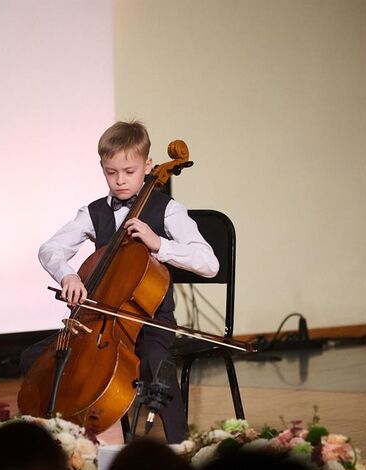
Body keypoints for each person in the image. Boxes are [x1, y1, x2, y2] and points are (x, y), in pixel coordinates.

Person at [20, 120, 219, 444]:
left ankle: (179, 446)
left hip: (152, 320)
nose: (120, 180)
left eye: (129, 171)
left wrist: (160, 245)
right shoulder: (94, 212)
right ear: (102, 167)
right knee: (33, 358)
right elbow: (50, 248)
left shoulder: (167, 210)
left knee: (156, 361)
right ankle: (57, 444)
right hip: (95, 321)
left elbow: (209, 264)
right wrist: (67, 274)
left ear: (148, 166)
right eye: (111, 172)